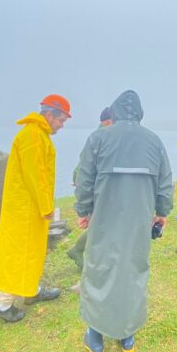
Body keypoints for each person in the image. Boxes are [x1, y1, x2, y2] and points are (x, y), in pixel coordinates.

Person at [74, 90, 173, 352]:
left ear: (115, 111)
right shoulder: (154, 141)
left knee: (99, 268)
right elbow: (165, 181)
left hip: (104, 217)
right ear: (139, 113)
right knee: (133, 268)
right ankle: (126, 334)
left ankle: (95, 333)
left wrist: (83, 210)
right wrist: (162, 211)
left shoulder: (98, 138)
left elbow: (84, 179)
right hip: (139, 220)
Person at [0, 94, 72, 323]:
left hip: (27, 207)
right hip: (25, 209)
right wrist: (46, 208)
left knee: (31, 251)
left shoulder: (37, 134)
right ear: (50, 114)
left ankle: (32, 290)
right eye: (61, 120)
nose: (62, 125)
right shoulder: (33, 135)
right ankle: (2, 305)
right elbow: (37, 177)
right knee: (19, 254)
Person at [66, 107, 113, 270]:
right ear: (108, 122)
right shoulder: (102, 137)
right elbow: (85, 166)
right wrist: (80, 182)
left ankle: (78, 251)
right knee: (101, 225)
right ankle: (79, 251)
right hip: (95, 189)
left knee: (102, 224)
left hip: (97, 187)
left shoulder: (101, 136)